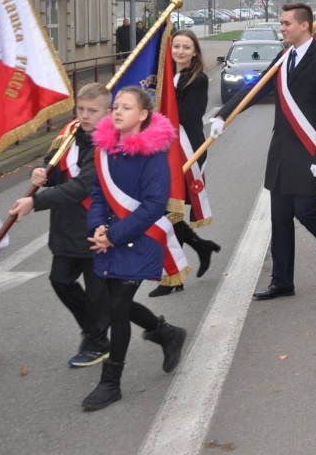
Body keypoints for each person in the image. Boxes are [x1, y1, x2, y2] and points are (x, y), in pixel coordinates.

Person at [210, 2, 316, 300]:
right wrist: (224, 114)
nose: (282, 28)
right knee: (280, 217)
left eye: (287, 23)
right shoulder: (284, 57)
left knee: (307, 212)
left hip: (309, 152)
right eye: (282, 23)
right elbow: (256, 89)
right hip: (282, 153)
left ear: (304, 25)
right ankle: (282, 280)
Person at [83, 87, 187, 410]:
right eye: (115, 106)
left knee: (117, 308)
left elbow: (155, 204)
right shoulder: (105, 150)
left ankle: (111, 383)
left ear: (142, 115)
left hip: (140, 239)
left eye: (126, 107)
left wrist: (113, 235)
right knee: (117, 304)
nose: (117, 111)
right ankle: (166, 333)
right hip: (110, 239)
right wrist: (97, 227)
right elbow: (98, 194)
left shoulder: (154, 155)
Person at [8, 83, 112, 367]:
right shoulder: (70, 134)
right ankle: (95, 331)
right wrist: (39, 172)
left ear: (107, 113)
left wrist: (34, 202)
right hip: (67, 225)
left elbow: (81, 187)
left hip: (98, 226)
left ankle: (99, 342)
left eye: (93, 111)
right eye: (81, 109)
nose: (85, 115)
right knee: (60, 280)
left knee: (98, 292)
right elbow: (53, 167)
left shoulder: (108, 144)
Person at [148, 30, 222, 297]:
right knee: (167, 210)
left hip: (187, 149)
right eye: (176, 46)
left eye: (186, 47)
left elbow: (189, 114)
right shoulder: (164, 77)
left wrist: (162, 101)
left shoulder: (197, 79)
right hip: (164, 149)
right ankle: (200, 247)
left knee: (171, 210)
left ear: (194, 52)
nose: (180, 51)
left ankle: (174, 278)